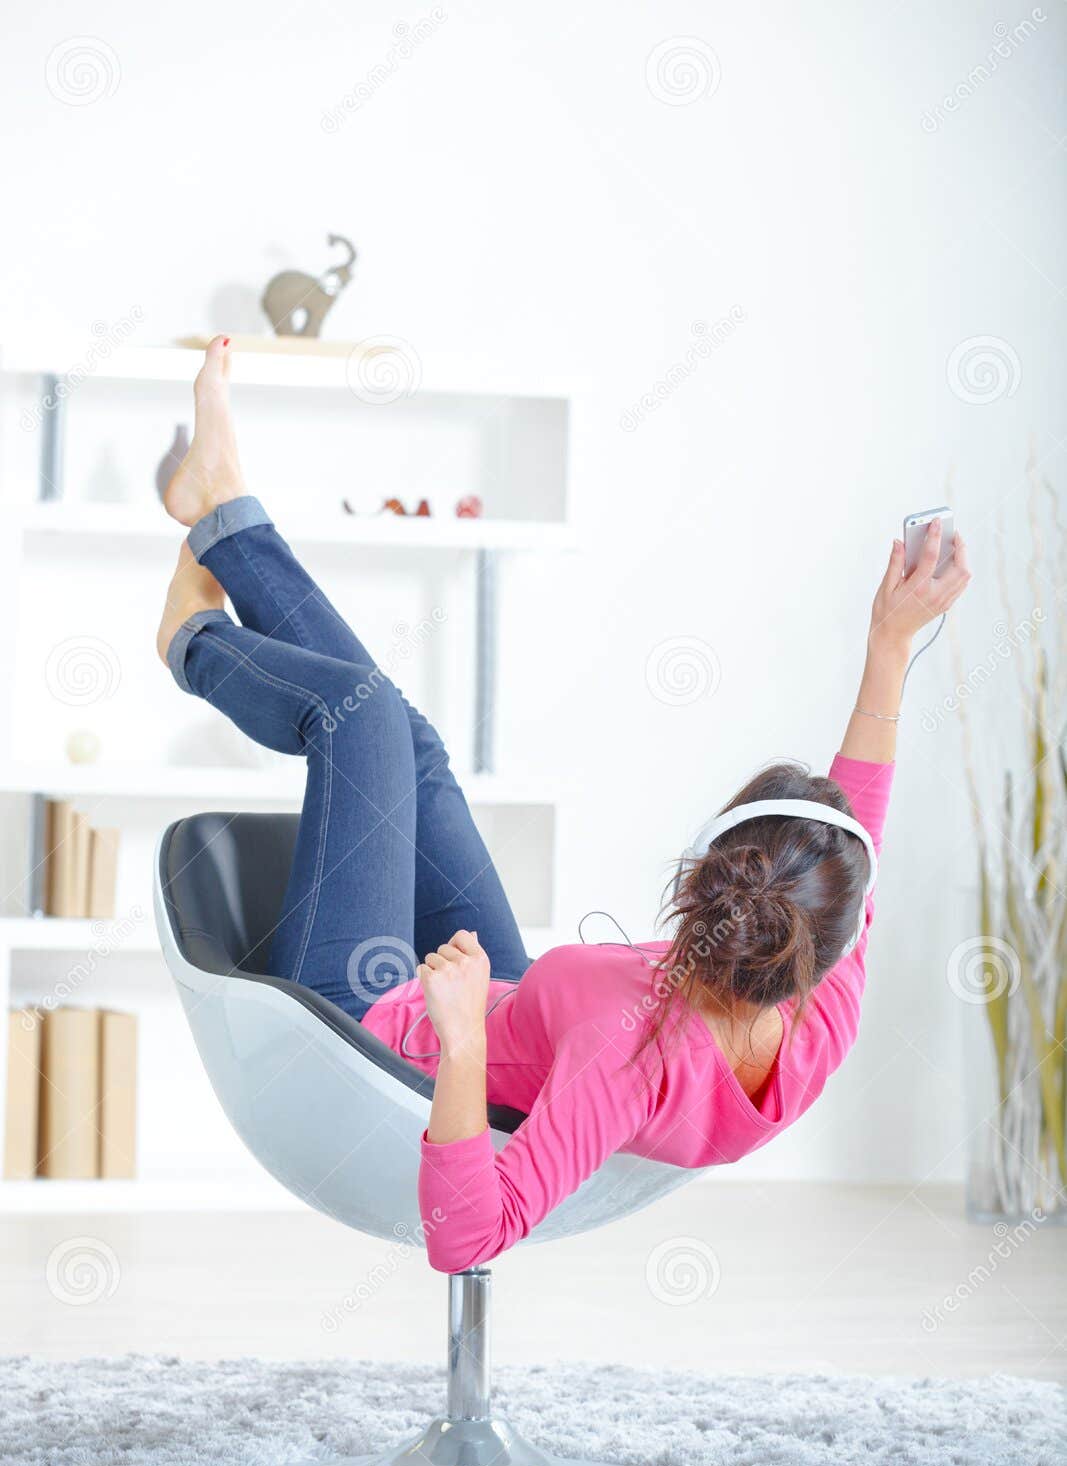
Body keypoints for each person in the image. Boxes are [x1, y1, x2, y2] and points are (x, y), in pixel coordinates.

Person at [158, 337, 971, 1273]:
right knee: (408, 742)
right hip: (513, 1005)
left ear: (708, 871)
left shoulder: (624, 1055)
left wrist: (459, 1041)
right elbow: (857, 824)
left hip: (373, 1034)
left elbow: (465, 1240)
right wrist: (890, 643)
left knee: (364, 719)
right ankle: (220, 512)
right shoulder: (813, 1007)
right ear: (829, 937)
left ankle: (192, 636)